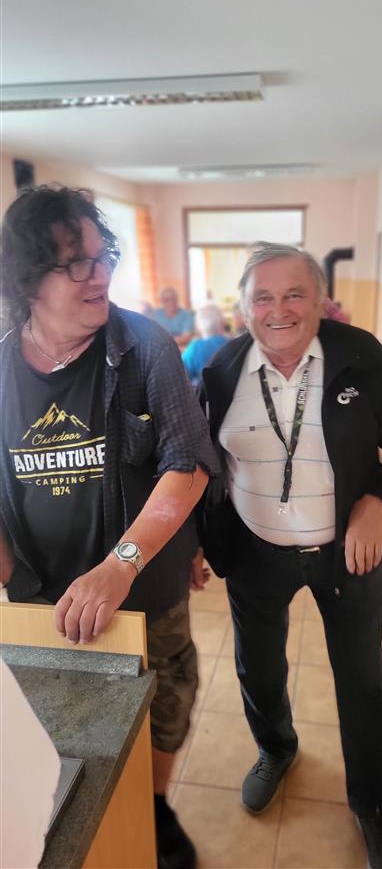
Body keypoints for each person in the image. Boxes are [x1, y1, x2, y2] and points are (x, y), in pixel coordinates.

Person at [0, 186, 220, 869]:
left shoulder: (142, 345)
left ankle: (154, 807)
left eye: (103, 257)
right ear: (28, 281)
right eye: (76, 263)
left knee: (166, 698)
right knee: (63, 727)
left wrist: (121, 563)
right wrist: (12, 576)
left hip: (145, 585)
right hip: (41, 594)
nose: (98, 275)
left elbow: (187, 465)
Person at [197, 241, 382, 869]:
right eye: (263, 297)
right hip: (255, 550)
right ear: (243, 307)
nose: (279, 310)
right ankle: (276, 748)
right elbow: (203, 464)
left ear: (321, 301)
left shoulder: (361, 357)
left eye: (295, 294)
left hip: (346, 555)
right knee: (258, 669)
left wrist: (377, 501)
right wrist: (197, 541)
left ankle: (373, 806)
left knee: (363, 682)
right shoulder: (221, 370)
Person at [182, 304, 229, 387]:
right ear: (222, 323)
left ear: (198, 326)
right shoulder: (233, 343)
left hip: (203, 393)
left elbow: (181, 376)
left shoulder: (194, 348)